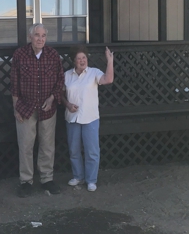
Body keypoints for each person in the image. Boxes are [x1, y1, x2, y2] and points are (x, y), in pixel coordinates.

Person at [10, 23, 65, 198]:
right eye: (37, 35)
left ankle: (46, 179)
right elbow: (14, 84)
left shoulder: (53, 55)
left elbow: (60, 81)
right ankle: (26, 181)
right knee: (25, 146)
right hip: (25, 108)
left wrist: (52, 98)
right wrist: (15, 108)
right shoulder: (20, 55)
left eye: (43, 35)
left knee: (47, 146)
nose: (40, 39)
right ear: (30, 37)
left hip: (47, 108)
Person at [61, 45, 114, 192]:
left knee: (92, 151)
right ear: (74, 61)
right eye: (78, 58)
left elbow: (108, 79)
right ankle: (78, 176)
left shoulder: (93, 73)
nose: (82, 60)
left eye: (84, 57)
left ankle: (91, 180)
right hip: (72, 118)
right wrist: (67, 104)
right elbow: (60, 94)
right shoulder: (67, 75)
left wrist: (110, 61)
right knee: (74, 150)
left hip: (90, 118)